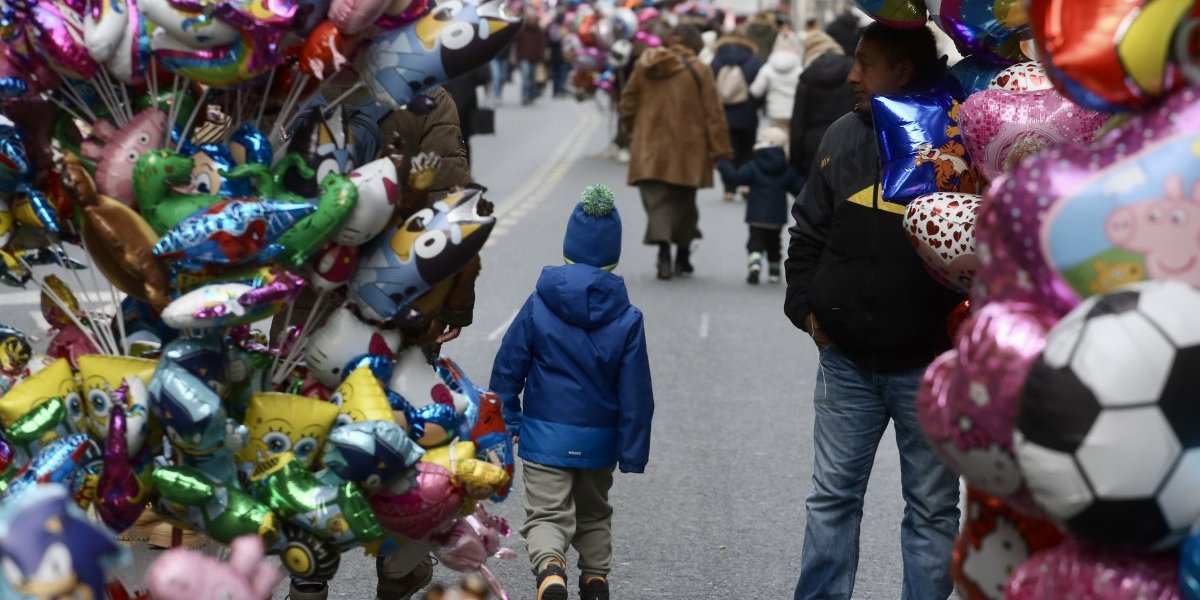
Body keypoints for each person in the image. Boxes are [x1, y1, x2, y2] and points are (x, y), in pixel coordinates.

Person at [784, 22, 963, 600]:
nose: (852, 75)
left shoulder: (956, 138)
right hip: (848, 363)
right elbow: (808, 228)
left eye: (866, 63)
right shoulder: (843, 133)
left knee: (933, 510)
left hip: (931, 368)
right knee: (832, 500)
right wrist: (809, 313)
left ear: (903, 72)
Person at [286, 86, 479, 600]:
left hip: (310, 307)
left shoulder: (305, 79)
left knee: (314, 435)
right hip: (400, 308)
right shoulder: (429, 95)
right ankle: (398, 574)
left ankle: (308, 569)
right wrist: (454, 308)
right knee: (408, 447)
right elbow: (451, 208)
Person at [489, 184, 654, 600]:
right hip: (600, 438)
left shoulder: (539, 303)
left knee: (547, 512)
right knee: (595, 512)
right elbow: (636, 392)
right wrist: (632, 449)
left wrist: (506, 418)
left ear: (568, 248)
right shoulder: (628, 317)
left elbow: (509, 366)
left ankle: (550, 570)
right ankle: (595, 579)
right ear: (613, 257)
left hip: (545, 433)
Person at [620, 25, 732, 280]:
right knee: (684, 202)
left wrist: (632, 131)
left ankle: (663, 254)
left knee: (656, 202)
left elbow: (628, 101)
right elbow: (713, 113)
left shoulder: (645, 64)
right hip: (688, 149)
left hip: (648, 146)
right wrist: (721, 149)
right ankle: (682, 255)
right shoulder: (700, 69)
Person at [717, 127, 803, 284]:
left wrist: (722, 163)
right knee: (774, 244)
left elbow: (735, 177)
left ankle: (755, 264)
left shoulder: (753, 166)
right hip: (776, 218)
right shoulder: (786, 169)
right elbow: (799, 188)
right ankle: (774, 271)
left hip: (756, 215)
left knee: (755, 242)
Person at [788, 29, 856, 176]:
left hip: (814, 145)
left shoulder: (807, 76)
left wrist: (795, 160)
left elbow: (798, 122)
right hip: (848, 139)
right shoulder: (852, 69)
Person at [710, 31, 762, 202]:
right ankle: (745, 184)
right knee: (747, 151)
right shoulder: (753, 60)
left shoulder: (717, 59)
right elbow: (759, 89)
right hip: (747, 114)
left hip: (723, 114)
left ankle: (728, 189)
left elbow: (710, 85)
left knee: (727, 152)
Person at [443, 65, 492, 166]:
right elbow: (483, 76)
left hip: (442, 102)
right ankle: (463, 172)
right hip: (464, 101)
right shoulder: (469, 52)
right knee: (463, 140)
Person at [749, 41, 802, 135]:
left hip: (775, 112)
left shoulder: (767, 69)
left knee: (776, 141)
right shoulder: (799, 69)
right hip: (794, 111)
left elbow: (756, 91)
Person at [514, 10, 549, 106]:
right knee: (526, 77)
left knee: (532, 78)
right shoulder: (522, 30)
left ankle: (530, 96)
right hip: (524, 57)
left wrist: (541, 57)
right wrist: (517, 57)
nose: (531, 20)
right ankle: (525, 96)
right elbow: (517, 45)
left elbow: (542, 45)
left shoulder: (539, 31)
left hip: (534, 57)